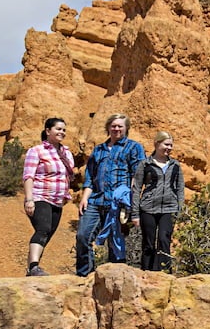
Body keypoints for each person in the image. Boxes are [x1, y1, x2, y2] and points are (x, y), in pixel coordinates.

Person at [74, 113, 145, 276]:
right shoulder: (99, 149)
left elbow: (138, 175)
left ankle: (114, 281)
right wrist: (84, 197)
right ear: (108, 128)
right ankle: (85, 276)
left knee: (116, 243)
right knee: (83, 236)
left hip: (119, 203)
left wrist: (132, 201)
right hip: (95, 200)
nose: (116, 129)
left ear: (126, 128)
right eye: (113, 126)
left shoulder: (134, 147)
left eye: (120, 126)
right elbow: (90, 176)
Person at [20, 117, 75, 277]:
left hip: (58, 201)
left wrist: (66, 194)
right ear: (48, 131)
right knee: (43, 229)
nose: (62, 132)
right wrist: (29, 199)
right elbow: (28, 176)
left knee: (47, 233)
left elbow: (67, 176)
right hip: (40, 196)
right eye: (58, 129)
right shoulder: (37, 151)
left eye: (64, 130)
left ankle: (31, 269)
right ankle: (34, 266)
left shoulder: (66, 153)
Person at [137, 131, 185, 271]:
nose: (169, 148)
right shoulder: (145, 164)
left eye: (171, 145)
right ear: (157, 144)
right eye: (166, 144)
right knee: (148, 243)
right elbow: (137, 188)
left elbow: (180, 188)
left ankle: (163, 273)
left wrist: (179, 209)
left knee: (164, 240)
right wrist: (134, 213)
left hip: (169, 209)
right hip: (148, 208)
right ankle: (146, 273)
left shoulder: (175, 165)